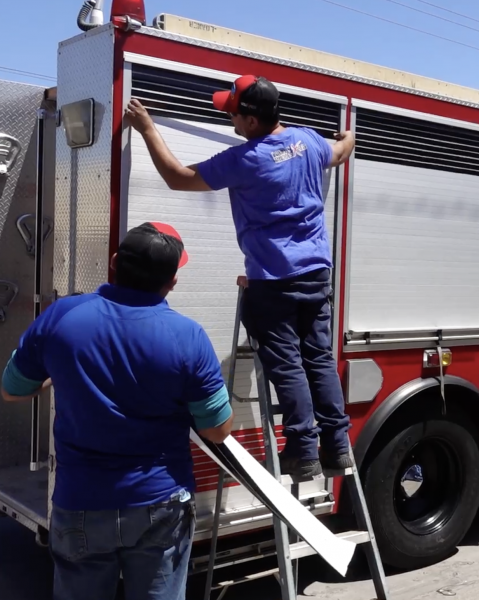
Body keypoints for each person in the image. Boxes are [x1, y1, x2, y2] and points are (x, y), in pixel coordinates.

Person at [125, 74, 356, 481]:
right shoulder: (308, 141)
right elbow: (341, 151)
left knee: (287, 365)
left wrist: (147, 128)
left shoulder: (246, 159)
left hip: (273, 281)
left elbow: (177, 177)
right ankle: (338, 447)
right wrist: (348, 135)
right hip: (316, 275)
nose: (230, 120)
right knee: (318, 359)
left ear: (251, 121)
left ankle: (304, 451)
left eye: (233, 113)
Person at [1, 222, 234, 600]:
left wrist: (60, 372)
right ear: (171, 282)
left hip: (80, 503)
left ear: (113, 263)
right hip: (159, 502)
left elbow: (12, 390)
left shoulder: (61, 317)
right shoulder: (187, 336)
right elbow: (217, 431)